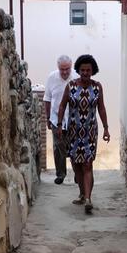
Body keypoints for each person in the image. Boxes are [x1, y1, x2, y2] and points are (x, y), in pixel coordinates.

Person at [56, 54, 110, 213]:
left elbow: (101, 108)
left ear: (93, 70)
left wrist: (106, 127)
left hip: (90, 132)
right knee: (76, 165)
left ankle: (88, 198)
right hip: (73, 131)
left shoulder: (97, 87)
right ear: (78, 70)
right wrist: (59, 125)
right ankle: (82, 193)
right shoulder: (71, 86)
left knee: (87, 164)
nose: (85, 73)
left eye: (88, 70)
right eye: (83, 70)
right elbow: (62, 106)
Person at [43, 55, 73, 184]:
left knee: (75, 146)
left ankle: (78, 174)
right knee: (58, 146)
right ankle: (60, 174)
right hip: (56, 118)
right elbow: (47, 99)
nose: (65, 72)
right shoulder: (52, 78)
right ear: (58, 68)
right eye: (62, 69)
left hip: (73, 119)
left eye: (67, 69)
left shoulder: (77, 77)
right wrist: (48, 118)